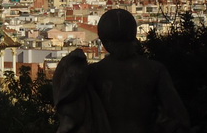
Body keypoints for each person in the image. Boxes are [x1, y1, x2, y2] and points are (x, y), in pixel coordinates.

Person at [54, 8, 190, 133]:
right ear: (133, 35)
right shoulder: (155, 70)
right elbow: (177, 117)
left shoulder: (93, 73)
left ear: (104, 41)